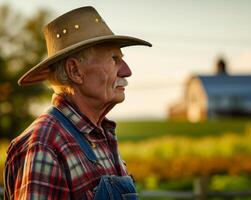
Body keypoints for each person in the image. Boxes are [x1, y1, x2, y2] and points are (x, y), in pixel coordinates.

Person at [4, 6, 151, 200]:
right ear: (75, 71)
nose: (127, 71)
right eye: (114, 59)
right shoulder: (45, 145)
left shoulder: (100, 135)